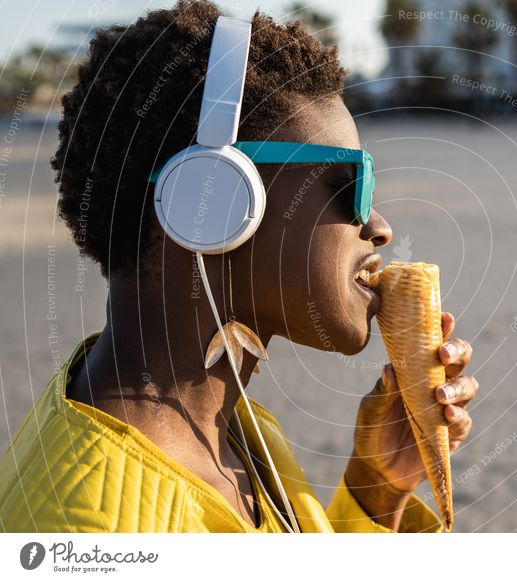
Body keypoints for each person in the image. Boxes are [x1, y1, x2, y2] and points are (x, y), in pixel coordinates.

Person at [0, 1, 477, 532]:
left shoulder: (237, 437)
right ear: (214, 196)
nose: (380, 226)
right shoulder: (87, 529)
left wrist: (378, 487)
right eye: (350, 185)